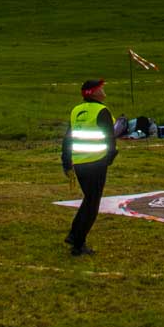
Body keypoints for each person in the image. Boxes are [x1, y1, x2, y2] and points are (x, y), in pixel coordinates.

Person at [61, 78, 117, 257]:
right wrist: (109, 158)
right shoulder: (102, 111)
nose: (103, 89)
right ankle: (78, 243)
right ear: (93, 93)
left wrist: (66, 162)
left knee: (89, 199)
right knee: (92, 204)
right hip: (97, 161)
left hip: (79, 162)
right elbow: (110, 137)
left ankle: (74, 234)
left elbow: (68, 138)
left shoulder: (76, 110)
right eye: (100, 87)